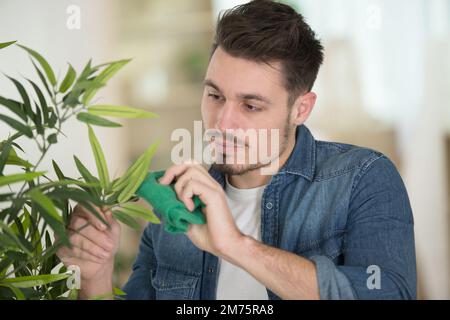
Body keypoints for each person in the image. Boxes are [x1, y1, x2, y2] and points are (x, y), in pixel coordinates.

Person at [57, 0, 416, 300]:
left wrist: (235, 245)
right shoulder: (173, 208)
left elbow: (387, 293)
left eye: (251, 106)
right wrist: (95, 277)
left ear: (301, 109)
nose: (222, 123)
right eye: (214, 96)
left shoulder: (361, 179)